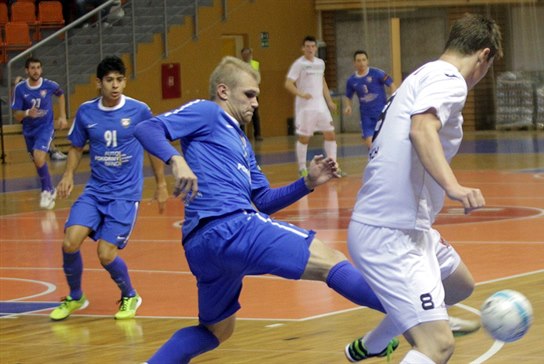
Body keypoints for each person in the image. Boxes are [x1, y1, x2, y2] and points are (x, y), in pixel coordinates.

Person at [134, 56, 389, 363]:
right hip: (232, 227)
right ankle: (415, 314)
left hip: (203, 247)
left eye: (257, 96)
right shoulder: (207, 112)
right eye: (249, 95)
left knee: (217, 330)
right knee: (330, 260)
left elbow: (264, 200)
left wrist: (307, 182)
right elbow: (147, 128)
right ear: (224, 91)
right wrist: (176, 160)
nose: (255, 103)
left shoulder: (241, 143)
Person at [343, 13, 503, 363]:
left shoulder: (421, 75)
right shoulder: (450, 80)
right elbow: (421, 130)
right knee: (438, 345)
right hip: (391, 233)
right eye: (488, 66)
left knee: (459, 285)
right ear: (483, 56)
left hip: (408, 228)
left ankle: (371, 344)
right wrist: (454, 186)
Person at [49, 56, 169, 321]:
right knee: (69, 242)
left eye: (119, 80)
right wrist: (68, 175)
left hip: (125, 196)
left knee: (105, 254)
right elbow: (77, 146)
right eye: (109, 80)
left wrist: (161, 184)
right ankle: (76, 296)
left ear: (125, 81)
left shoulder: (139, 111)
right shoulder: (86, 111)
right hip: (95, 191)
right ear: (98, 83)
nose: (115, 85)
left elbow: (154, 147)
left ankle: (130, 296)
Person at [11, 57, 68, 210]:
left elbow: (60, 94)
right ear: (26, 70)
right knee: (38, 161)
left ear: (41, 70)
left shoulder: (49, 85)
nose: (35, 71)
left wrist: (62, 116)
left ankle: (45, 189)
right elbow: (16, 114)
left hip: (45, 127)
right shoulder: (20, 89)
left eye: (38, 68)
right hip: (29, 130)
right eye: (32, 68)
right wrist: (27, 113)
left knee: (39, 156)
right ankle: (50, 188)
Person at [285, 35, 340, 177]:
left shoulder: (320, 63)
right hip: (305, 108)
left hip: (321, 106)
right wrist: (301, 93)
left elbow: (322, 82)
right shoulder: (299, 64)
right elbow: (288, 83)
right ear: (303, 48)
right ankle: (302, 168)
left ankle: (333, 166)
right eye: (307, 46)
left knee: (330, 134)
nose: (310, 49)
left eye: (312, 46)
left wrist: (329, 101)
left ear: (316, 48)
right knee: (305, 138)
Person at [343, 50, 397, 150]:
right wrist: (348, 106)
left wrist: (392, 101)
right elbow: (348, 96)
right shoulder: (351, 80)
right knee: (370, 146)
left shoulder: (377, 73)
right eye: (358, 61)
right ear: (354, 63)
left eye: (364, 60)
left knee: (385, 142)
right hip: (366, 116)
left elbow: (392, 85)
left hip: (381, 114)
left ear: (367, 61)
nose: (361, 63)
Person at [240, 47, 263, 141]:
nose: (246, 56)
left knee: (255, 114)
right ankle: (241, 134)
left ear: (250, 54)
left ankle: (257, 134)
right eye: (244, 55)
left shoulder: (255, 64)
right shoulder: (239, 65)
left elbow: (258, 78)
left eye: (247, 54)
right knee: (241, 113)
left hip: (253, 92)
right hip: (242, 92)